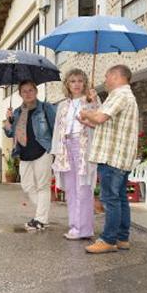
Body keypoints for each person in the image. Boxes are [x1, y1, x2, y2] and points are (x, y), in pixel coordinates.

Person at [79, 65, 139, 254]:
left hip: (112, 157)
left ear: (115, 76)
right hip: (119, 156)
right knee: (120, 198)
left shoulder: (120, 95)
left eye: (106, 77)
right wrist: (88, 122)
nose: (105, 81)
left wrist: (86, 112)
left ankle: (108, 240)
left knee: (110, 199)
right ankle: (122, 238)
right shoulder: (125, 96)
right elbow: (107, 125)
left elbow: (100, 117)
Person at [51, 69, 98, 240]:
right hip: (66, 146)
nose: (76, 84)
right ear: (67, 85)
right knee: (71, 189)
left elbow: (99, 121)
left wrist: (93, 103)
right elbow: (57, 129)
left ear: (85, 83)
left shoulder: (92, 100)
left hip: (83, 145)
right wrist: (56, 151)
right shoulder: (63, 105)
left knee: (83, 187)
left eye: (80, 80)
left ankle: (84, 228)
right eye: (72, 81)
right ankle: (73, 226)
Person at [3, 80, 56, 230]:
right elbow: (10, 133)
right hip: (24, 153)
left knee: (42, 186)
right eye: (24, 91)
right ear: (20, 94)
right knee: (27, 186)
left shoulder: (46, 108)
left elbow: (56, 129)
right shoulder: (17, 112)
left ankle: (40, 219)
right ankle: (42, 214)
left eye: (30, 90)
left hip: (42, 151)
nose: (27, 93)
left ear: (36, 91)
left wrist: (55, 150)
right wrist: (8, 120)